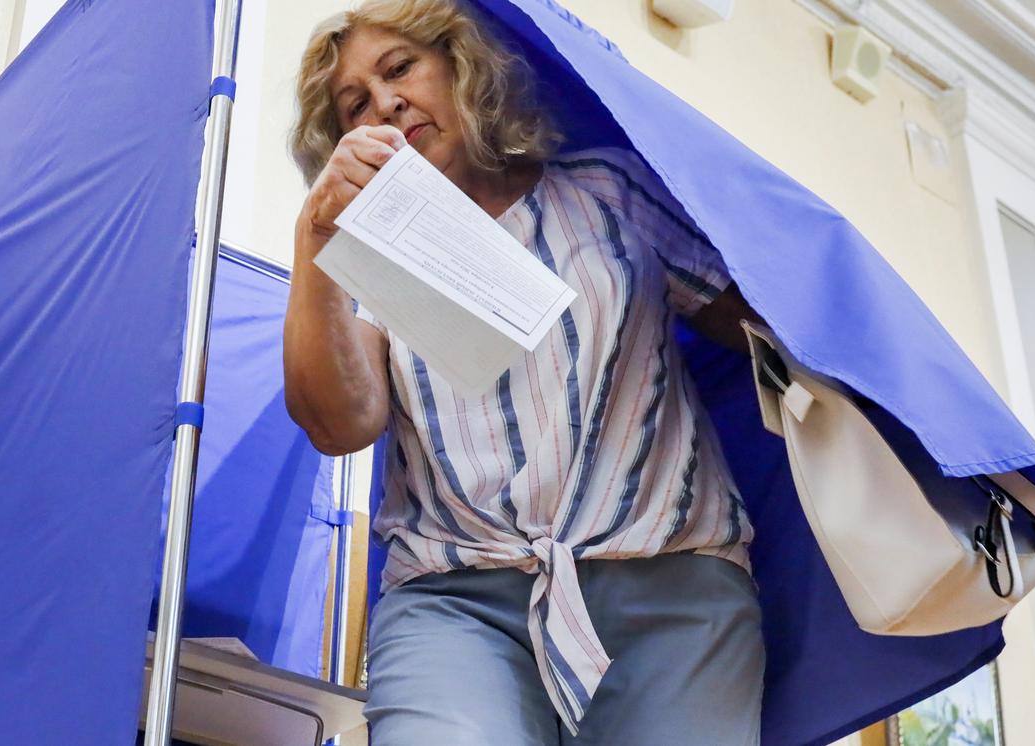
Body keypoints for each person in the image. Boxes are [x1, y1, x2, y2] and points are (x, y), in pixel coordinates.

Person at [284, 1, 765, 743]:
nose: (385, 102)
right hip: (458, 603)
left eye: (400, 68)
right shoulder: (370, 264)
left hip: (672, 590)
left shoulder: (607, 191)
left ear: (461, 62)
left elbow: (768, 332)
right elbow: (338, 422)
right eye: (356, 105)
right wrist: (317, 234)